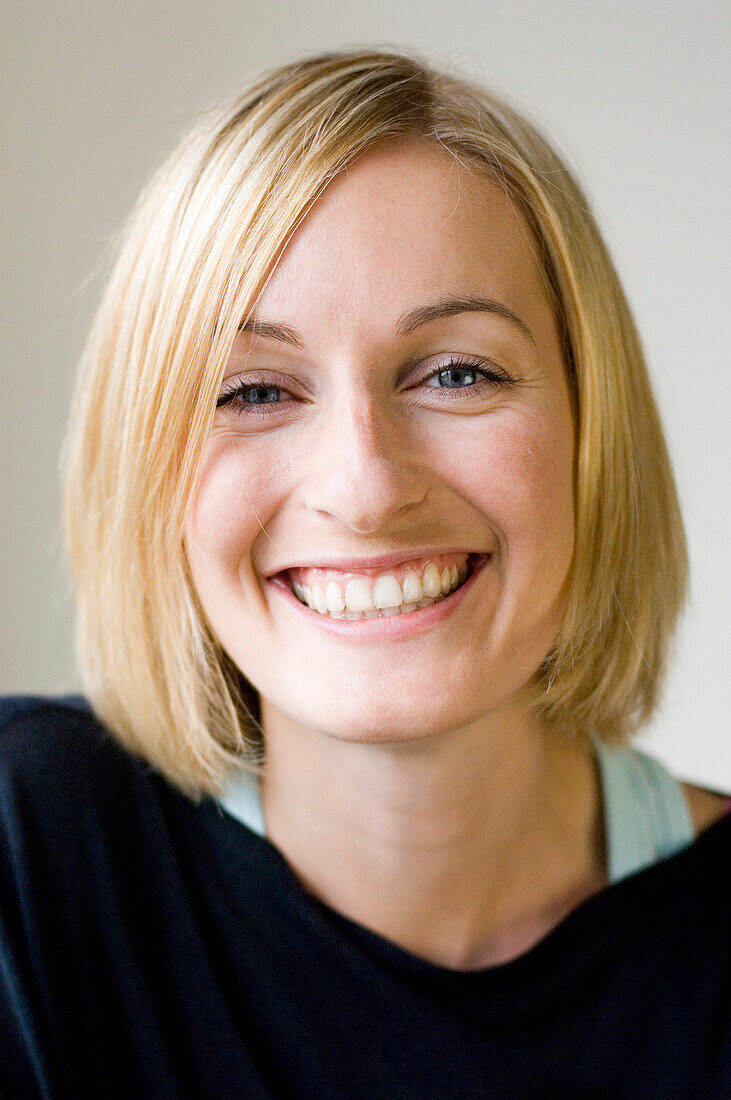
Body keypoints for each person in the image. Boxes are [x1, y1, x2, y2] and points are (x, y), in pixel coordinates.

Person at [1, 47, 729, 1098]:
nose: (365, 486)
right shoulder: (33, 852)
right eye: (253, 389)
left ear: (588, 430)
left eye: (456, 372)